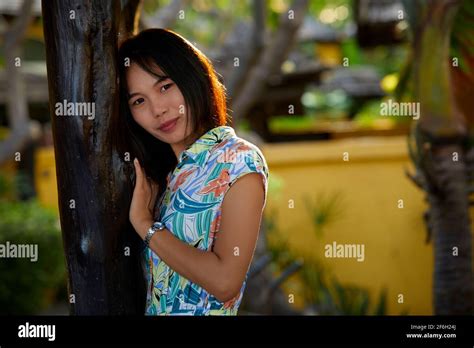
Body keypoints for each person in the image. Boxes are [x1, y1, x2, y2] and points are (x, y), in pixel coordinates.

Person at [113, 28, 269, 315]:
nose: (158, 109)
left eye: (165, 87)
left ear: (192, 77)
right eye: (139, 101)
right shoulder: (166, 178)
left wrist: (145, 225)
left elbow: (225, 282)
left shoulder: (239, 161)